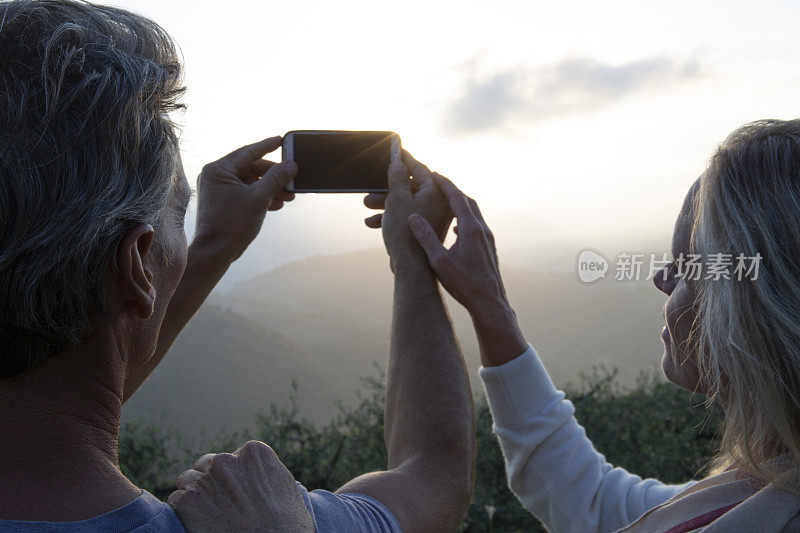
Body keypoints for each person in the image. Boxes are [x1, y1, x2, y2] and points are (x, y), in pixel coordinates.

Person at [0, 0, 475, 531]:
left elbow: (56, 386)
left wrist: (212, 244)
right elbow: (434, 474)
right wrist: (414, 255)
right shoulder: (261, 519)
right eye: (181, 211)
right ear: (137, 262)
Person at [372, 119, 800, 531]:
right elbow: (594, 505)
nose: (660, 278)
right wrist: (490, 306)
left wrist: (416, 270)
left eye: (688, 263)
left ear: (759, 302)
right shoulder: (761, 490)